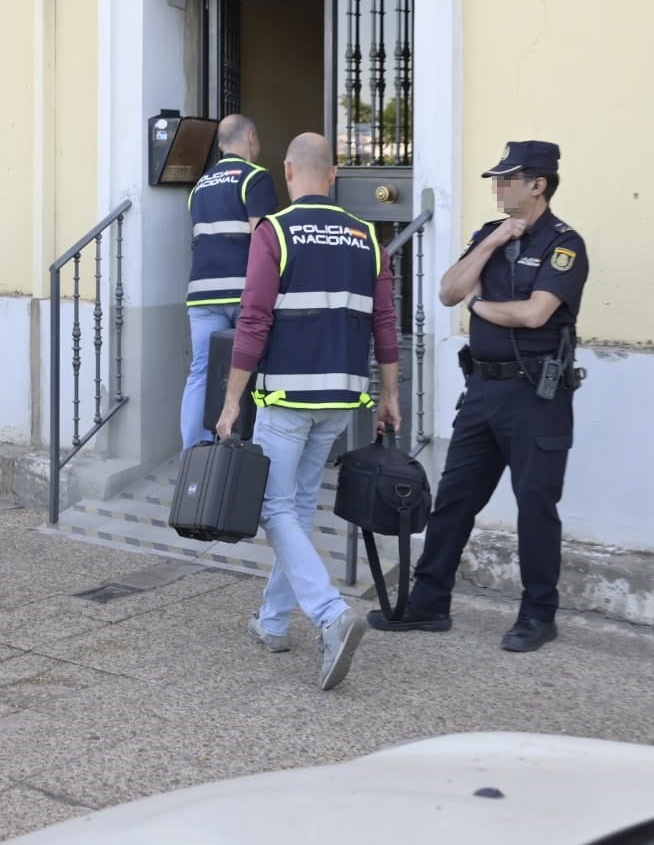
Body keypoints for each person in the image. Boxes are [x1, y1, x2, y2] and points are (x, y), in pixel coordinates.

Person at [368, 140, 588, 653]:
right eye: (497, 178)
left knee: (535, 507)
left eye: (509, 178)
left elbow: (534, 314)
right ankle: (429, 602)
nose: (498, 186)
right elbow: (447, 291)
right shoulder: (487, 235)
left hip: (537, 393)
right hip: (483, 389)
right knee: (454, 498)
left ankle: (538, 614)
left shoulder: (564, 244)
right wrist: (489, 247)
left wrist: (483, 305)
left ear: (539, 184)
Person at [216, 132, 400, 691]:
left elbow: (253, 320)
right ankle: (272, 623)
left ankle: (329, 615)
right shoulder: (368, 237)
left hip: (287, 397)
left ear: (289, 172)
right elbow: (386, 326)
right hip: (342, 398)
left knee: (274, 510)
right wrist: (390, 396)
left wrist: (230, 401)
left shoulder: (275, 231)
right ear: (335, 174)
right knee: (295, 507)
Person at [181, 114, 276, 450]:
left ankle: (194, 454)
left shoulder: (200, 187)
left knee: (202, 373)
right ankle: (255, 451)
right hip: (243, 292)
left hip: (201, 294)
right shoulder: (256, 178)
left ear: (221, 144)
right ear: (250, 136)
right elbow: (264, 244)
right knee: (257, 369)